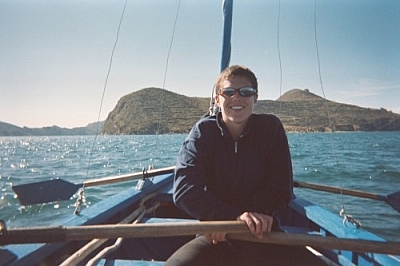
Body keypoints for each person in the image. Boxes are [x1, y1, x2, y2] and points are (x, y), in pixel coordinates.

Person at [165, 65, 318, 265]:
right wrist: (229, 218)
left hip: (263, 233)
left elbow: (281, 187)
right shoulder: (203, 132)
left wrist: (252, 215)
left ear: (256, 97)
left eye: (245, 92)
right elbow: (184, 190)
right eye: (228, 92)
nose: (236, 97)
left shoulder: (271, 129)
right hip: (217, 235)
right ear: (217, 99)